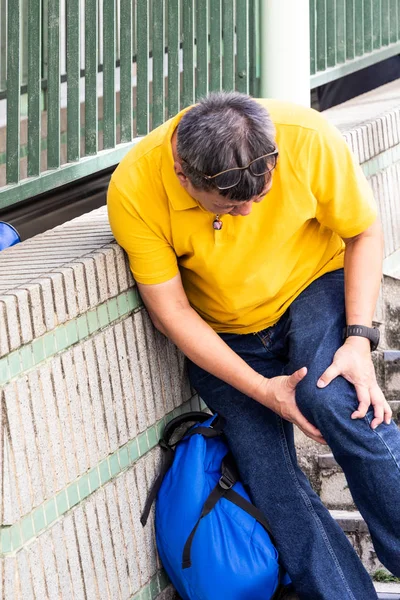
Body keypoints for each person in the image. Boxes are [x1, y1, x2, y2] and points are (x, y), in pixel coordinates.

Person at [107, 92, 400, 600]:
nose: (246, 213)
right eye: (229, 205)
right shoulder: (136, 189)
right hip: (224, 333)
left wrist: (358, 339)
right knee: (271, 477)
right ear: (183, 174)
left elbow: (364, 231)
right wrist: (266, 391)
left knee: (336, 399)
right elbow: (172, 311)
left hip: (313, 285)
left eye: (257, 199)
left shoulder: (307, 138)